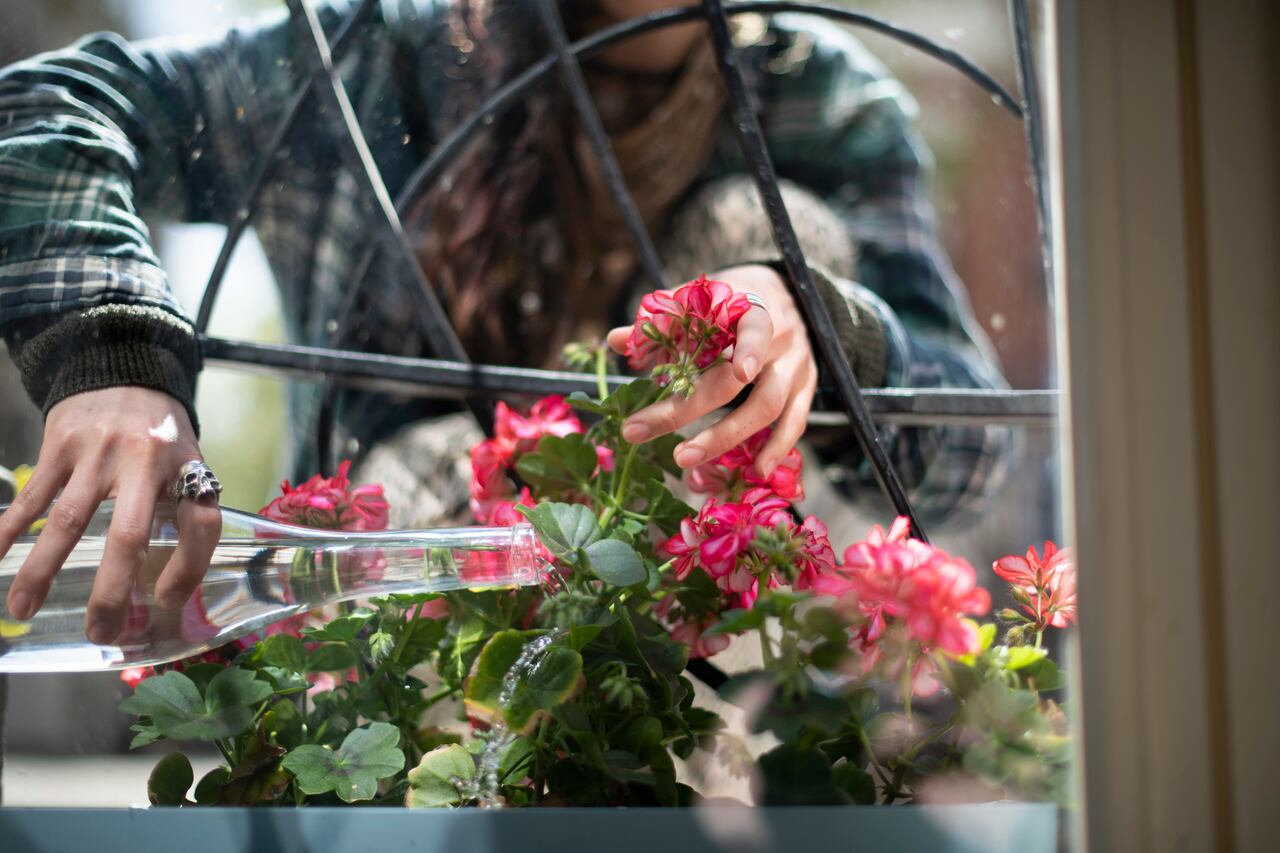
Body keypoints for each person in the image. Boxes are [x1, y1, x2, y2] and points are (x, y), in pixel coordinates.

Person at [0, 0, 1007, 646]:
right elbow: (50, 102)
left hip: (722, 687)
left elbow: (970, 449)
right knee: (419, 487)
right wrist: (110, 350)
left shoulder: (813, 97)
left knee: (761, 231)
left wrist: (820, 326)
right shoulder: (381, 63)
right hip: (404, 686)